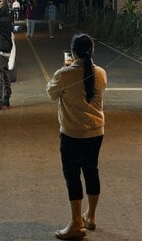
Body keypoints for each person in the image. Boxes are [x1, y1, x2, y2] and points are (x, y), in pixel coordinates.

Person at [46, 33, 107, 240]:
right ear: (92, 51)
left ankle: (76, 222)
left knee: (73, 176)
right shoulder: (100, 73)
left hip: (72, 133)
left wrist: (67, 68)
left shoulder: (63, 74)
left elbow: (51, 94)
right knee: (91, 171)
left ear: (73, 52)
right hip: (96, 132)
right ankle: (91, 216)